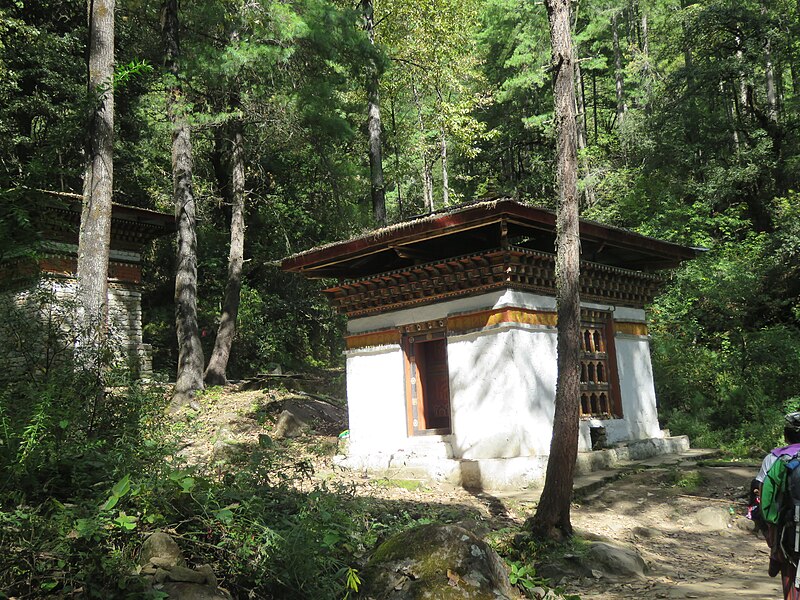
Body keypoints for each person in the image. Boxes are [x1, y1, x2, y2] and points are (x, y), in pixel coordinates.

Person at [755, 412, 800, 600]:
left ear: (785, 436)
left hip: (789, 528)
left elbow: (764, 500)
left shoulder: (774, 458)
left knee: (788, 569)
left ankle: (774, 556)